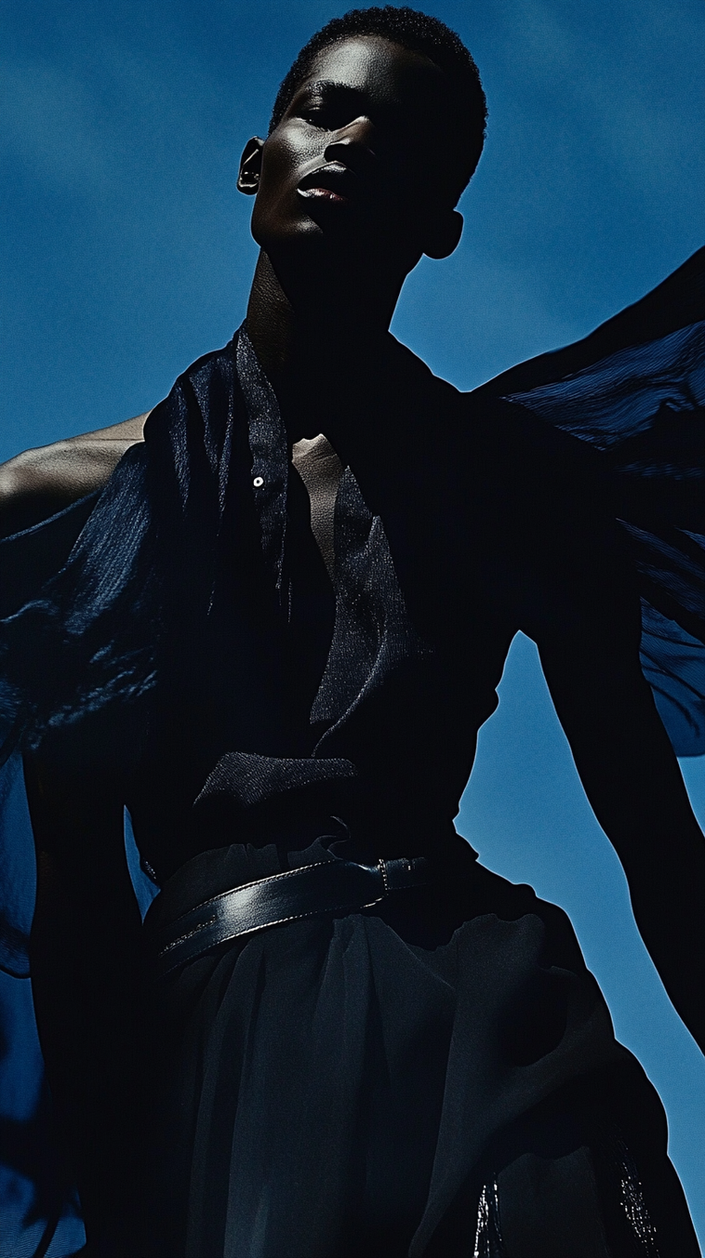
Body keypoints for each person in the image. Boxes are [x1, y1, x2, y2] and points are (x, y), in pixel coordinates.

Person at [0, 7, 703, 1255]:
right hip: (225, 1068)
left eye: (402, 140)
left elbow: (659, 845)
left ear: (442, 226)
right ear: (254, 159)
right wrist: (120, 1175)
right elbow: (76, 903)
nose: (352, 143)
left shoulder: (518, 490)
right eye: (323, 111)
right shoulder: (57, 509)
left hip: (493, 1029)